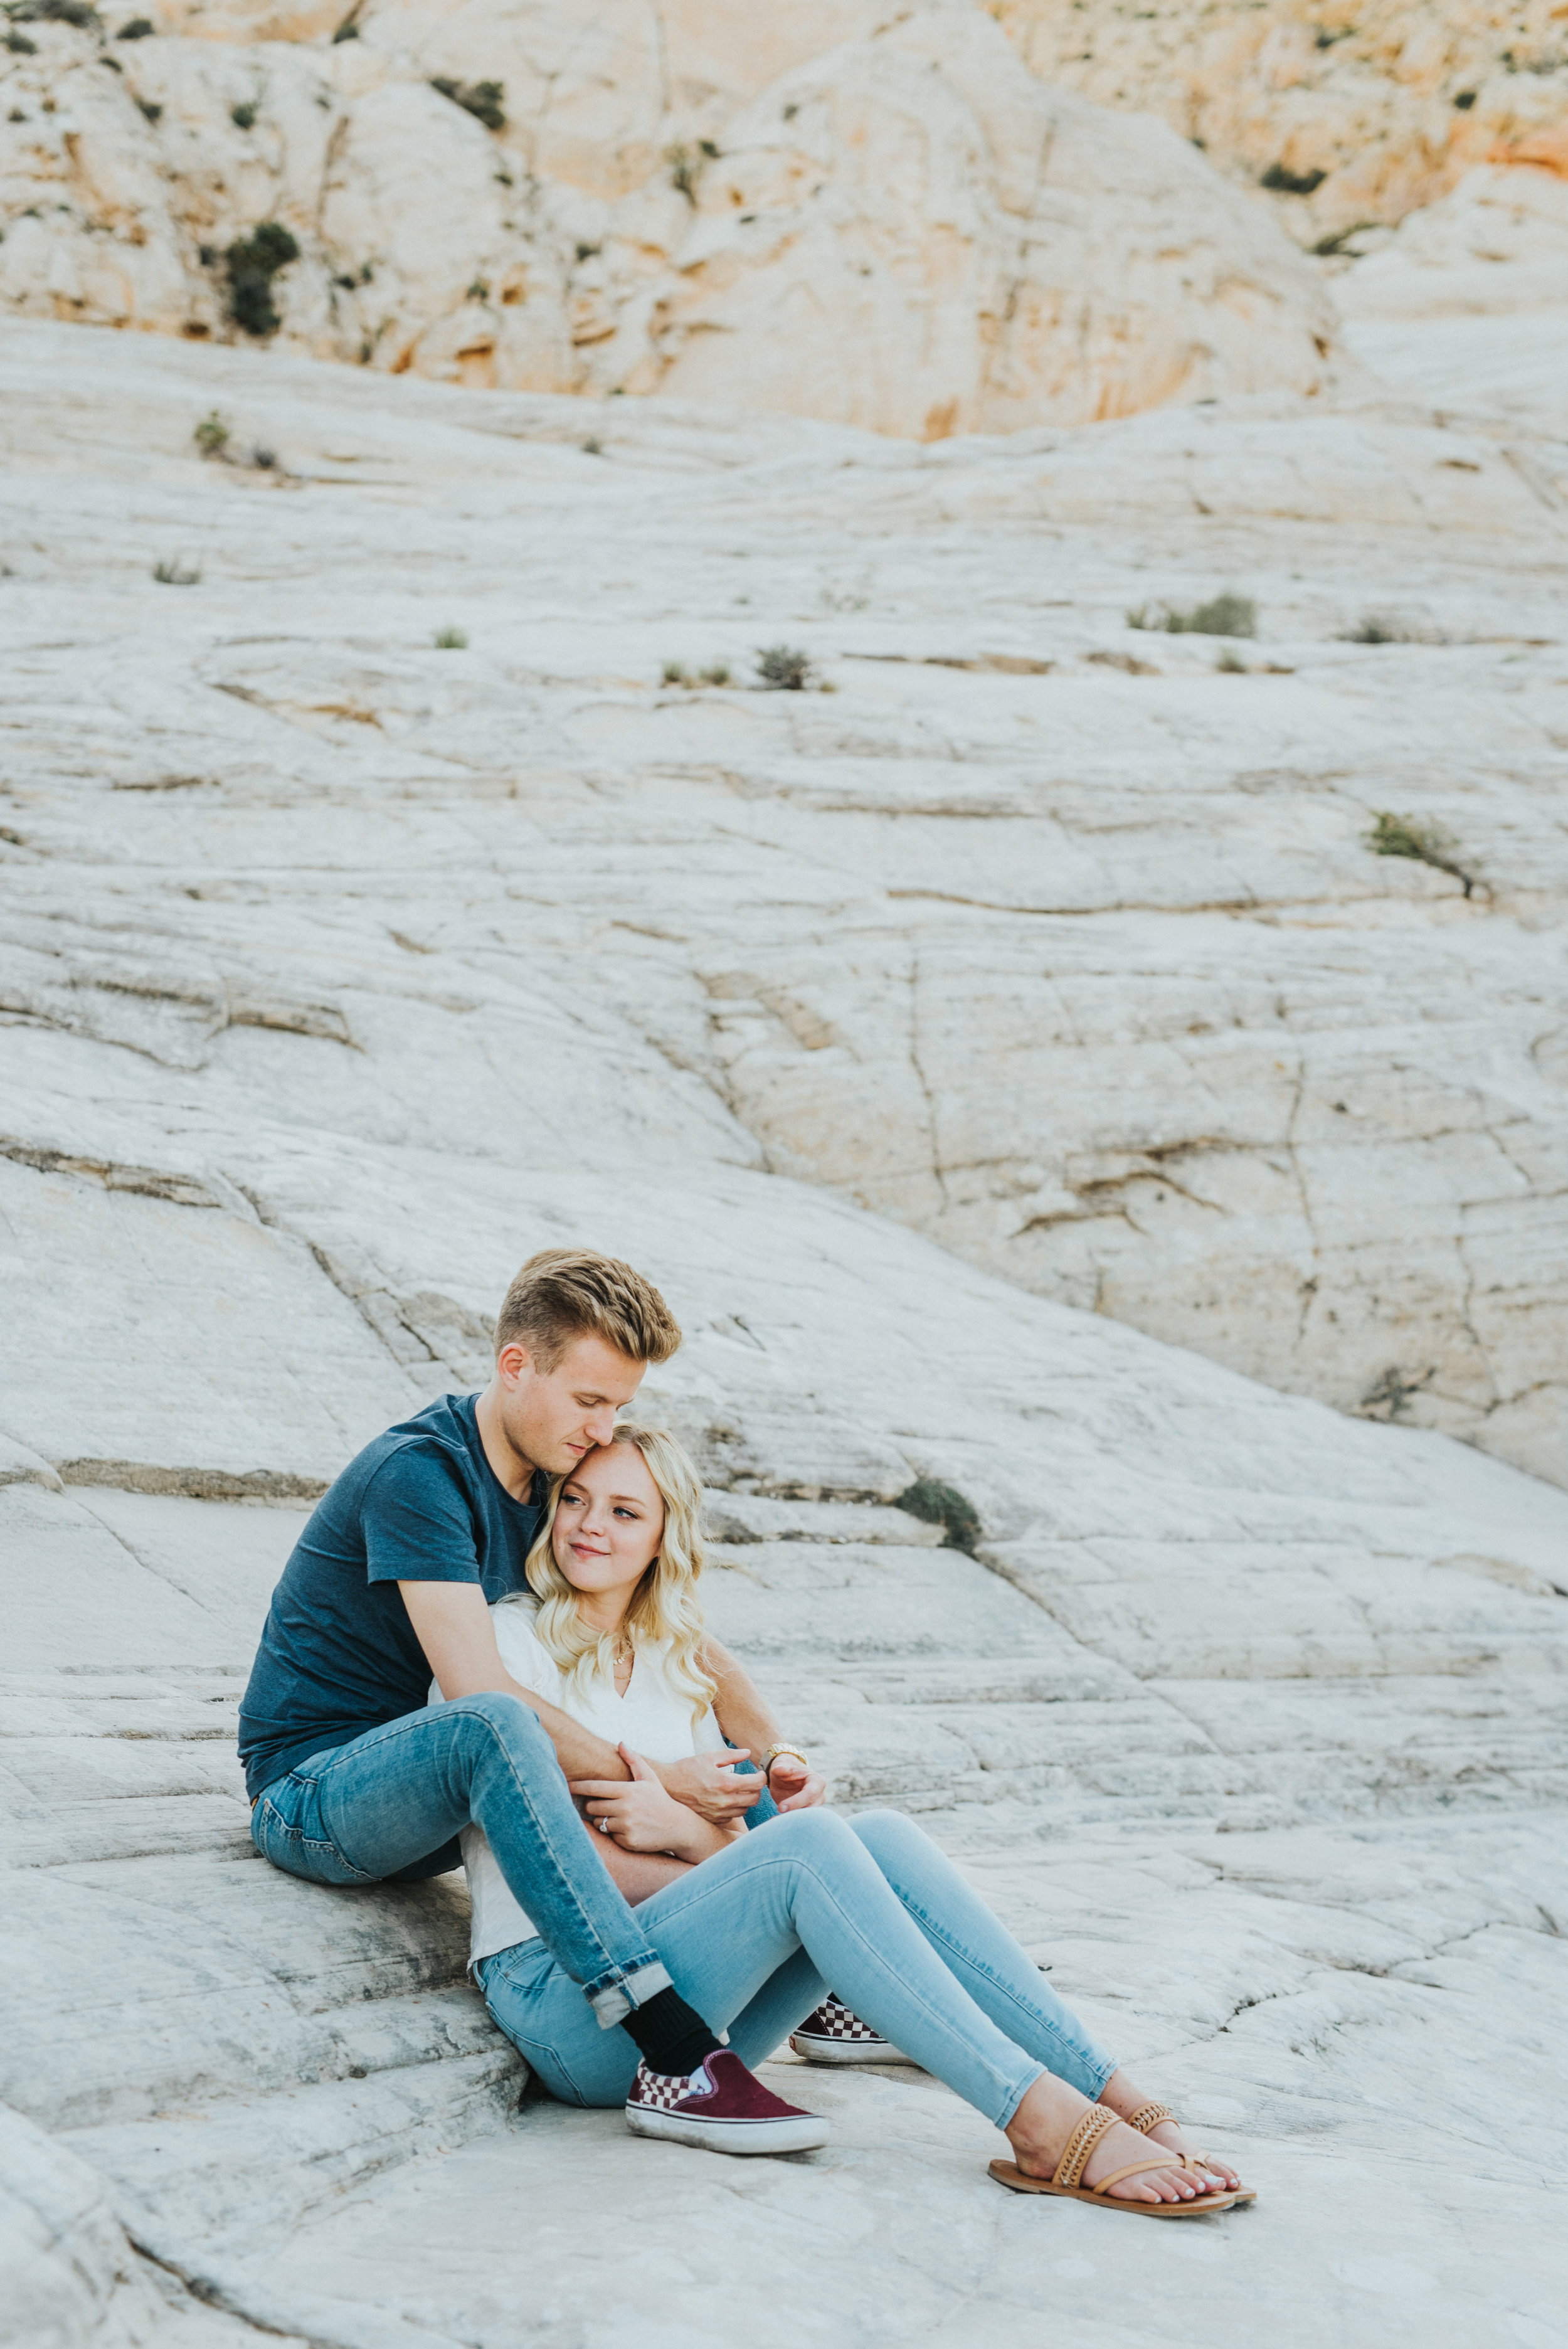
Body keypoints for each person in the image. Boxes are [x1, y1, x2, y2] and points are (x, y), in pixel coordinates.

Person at [453, 1421, 1255, 2212]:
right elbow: (566, 1868)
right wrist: (701, 1842)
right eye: (575, 1500)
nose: (591, 1525)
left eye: (625, 1511)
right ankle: (1038, 2118)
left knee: (880, 1838)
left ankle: (1109, 2090)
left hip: (700, 2011)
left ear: (666, 1535)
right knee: (809, 1849)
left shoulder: (674, 1665)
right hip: (576, 2006)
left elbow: (730, 1848)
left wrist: (689, 1830)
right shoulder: (505, 1647)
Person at [238, 1248, 828, 2155]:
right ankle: (671, 2047)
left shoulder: (554, 1472)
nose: (604, 1429)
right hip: (318, 1796)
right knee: (501, 1722)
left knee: (686, 1735)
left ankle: (829, 1989)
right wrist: (662, 1783)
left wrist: (776, 1758)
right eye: (591, 1401)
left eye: (620, 1406)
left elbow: (684, 1634)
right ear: (516, 1366)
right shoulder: (421, 1474)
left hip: (443, 1792)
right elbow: (479, 1694)